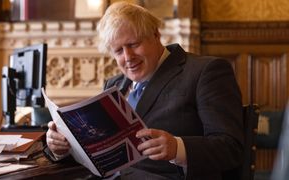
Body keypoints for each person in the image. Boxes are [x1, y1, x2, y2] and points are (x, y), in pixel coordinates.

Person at [45, 2, 244, 180]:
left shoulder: (205, 71)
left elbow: (231, 148)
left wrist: (178, 148)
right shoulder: (113, 86)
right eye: (118, 51)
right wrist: (62, 148)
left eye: (133, 44)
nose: (128, 57)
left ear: (155, 34)